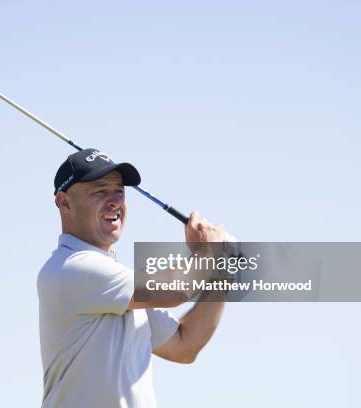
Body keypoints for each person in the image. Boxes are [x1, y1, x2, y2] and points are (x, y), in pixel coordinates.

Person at [37, 148, 227, 408]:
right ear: (64, 202)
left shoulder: (117, 287)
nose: (115, 200)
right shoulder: (70, 268)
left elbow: (185, 345)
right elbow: (177, 291)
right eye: (100, 191)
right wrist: (210, 252)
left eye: (119, 190)